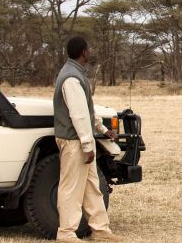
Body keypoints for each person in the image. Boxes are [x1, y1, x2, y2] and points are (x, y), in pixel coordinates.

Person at [53, 37, 122, 242]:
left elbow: (86, 109)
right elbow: (78, 115)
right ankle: (66, 232)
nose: (89, 52)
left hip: (81, 139)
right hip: (75, 141)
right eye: (88, 49)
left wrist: (101, 129)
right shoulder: (72, 78)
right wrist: (86, 144)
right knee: (71, 187)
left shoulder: (74, 73)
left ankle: (100, 230)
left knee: (92, 186)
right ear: (83, 52)